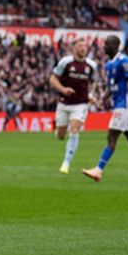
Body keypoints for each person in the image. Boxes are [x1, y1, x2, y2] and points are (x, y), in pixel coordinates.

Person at [82, 36, 128, 182]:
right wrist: (102, 99)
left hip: (125, 105)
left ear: (115, 45)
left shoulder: (124, 61)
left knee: (111, 136)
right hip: (120, 104)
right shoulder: (109, 65)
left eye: (106, 44)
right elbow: (111, 86)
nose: (104, 46)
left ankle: (98, 170)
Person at [49, 38, 97, 173]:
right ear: (74, 48)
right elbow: (52, 78)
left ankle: (66, 163)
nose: (83, 48)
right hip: (64, 103)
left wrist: (91, 94)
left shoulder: (92, 65)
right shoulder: (65, 62)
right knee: (60, 135)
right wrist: (63, 90)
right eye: (80, 46)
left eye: (85, 46)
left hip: (81, 104)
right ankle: (57, 129)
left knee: (75, 129)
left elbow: (93, 82)